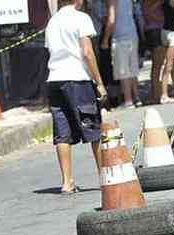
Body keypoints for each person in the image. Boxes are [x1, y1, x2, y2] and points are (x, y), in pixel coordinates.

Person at [45, 0, 106, 194]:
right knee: (92, 127)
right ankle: (105, 176)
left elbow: (50, 50)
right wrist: (99, 82)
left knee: (62, 133)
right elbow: (87, 52)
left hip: (54, 79)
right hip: (77, 79)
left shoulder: (52, 21)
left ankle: (67, 182)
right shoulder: (81, 18)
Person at [102, 0, 142, 108]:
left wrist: (105, 39)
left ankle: (128, 100)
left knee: (123, 70)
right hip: (132, 33)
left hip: (120, 36)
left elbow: (111, 19)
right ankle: (136, 97)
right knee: (132, 68)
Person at [143, 0, 166, 104]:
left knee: (160, 64)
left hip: (157, 29)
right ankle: (156, 94)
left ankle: (158, 92)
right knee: (157, 64)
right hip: (154, 29)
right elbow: (146, 11)